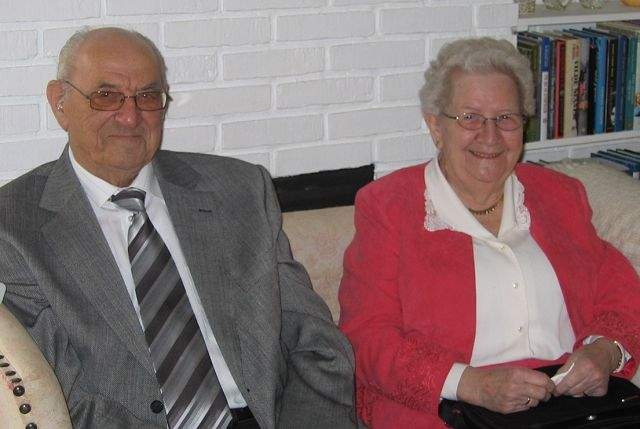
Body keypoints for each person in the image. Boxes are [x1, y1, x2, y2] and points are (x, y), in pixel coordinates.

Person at [0, 27, 356, 429]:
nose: (130, 116)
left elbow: (316, 343)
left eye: (148, 96)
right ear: (60, 102)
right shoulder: (14, 226)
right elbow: (62, 397)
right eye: (106, 96)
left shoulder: (239, 191)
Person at [338, 37, 640, 428]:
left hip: (569, 409)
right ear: (436, 126)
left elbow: (620, 291)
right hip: (451, 409)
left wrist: (603, 352)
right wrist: (471, 384)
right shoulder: (389, 207)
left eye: (506, 118)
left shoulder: (559, 195)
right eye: (470, 117)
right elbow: (366, 336)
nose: (490, 136)